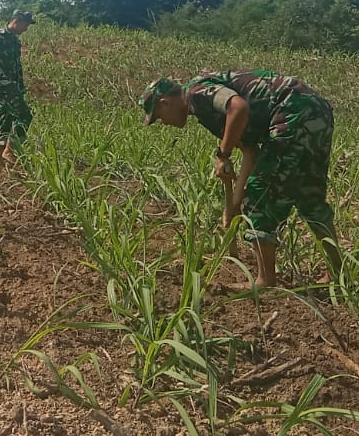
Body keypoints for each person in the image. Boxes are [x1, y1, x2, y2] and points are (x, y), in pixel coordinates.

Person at [142, 69, 343, 289]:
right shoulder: (203, 109)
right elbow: (250, 152)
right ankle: (338, 274)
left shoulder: (196, 93)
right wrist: (234, 206)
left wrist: (223, 154)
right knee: (309, 196)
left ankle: (265, 280)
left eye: (159, 117)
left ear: (164, 103)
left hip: (291, 112)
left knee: (259, 198)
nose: (165, 123)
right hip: (315, 111)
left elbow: (238, 107)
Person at [0, 10, 33, 162]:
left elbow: (16, 66)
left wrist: (20, 86)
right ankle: (10, 150)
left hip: (13, 85)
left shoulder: (15, 41)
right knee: (24, 115)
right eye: (25, 24)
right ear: (16, 21)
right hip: (3, 85)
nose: (26, 28)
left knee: (5, 118)